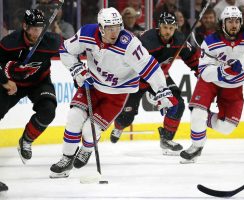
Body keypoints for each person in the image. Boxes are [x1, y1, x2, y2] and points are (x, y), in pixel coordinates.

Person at [50, 7, 178, 178]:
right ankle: (66, 159)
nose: (114, 32)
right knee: (74, 117)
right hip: (92, 85)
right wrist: (77, 69)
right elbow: (66, 49)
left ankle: (87, 148)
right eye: (110, 28)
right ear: (101, 27)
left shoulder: (129, 44)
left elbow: (150, 67)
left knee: (89, 131)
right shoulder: (87, 33)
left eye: (117, 27)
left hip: (116, 94)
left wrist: (162, 90)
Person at [180, 6, 244, 163]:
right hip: (211, 81)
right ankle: (196, 146)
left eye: (237, 21)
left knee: (227, 128)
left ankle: (203, 118)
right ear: (222, 23)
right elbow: (204, 71)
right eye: (230, 21)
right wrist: (224, 70)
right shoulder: (210, 42)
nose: (234, 25)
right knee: (197, 114)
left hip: (235, 84)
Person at [110, 12, 200, 155]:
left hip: (160, 78)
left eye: (171, 28)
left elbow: (192, 57)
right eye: (165, 27)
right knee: (127, 116)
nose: (168, 31)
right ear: (159, 27)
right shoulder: (147, 40)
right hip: (137, 79)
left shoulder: (179, 39)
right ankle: (119, 127)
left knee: (177, 104)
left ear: (175, 28)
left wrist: (200, 71)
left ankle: (166, 139)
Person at [0, 9, 61, 164]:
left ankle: (26, 140)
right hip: (13, 85)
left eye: (40, 29)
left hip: (39, 83)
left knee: (48, 111)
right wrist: (5, 81)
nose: (37, 33)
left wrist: (78, 72)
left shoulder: (51, 41)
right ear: (25, 26)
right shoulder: (9, 43)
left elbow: (72, 52)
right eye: (33, 29)